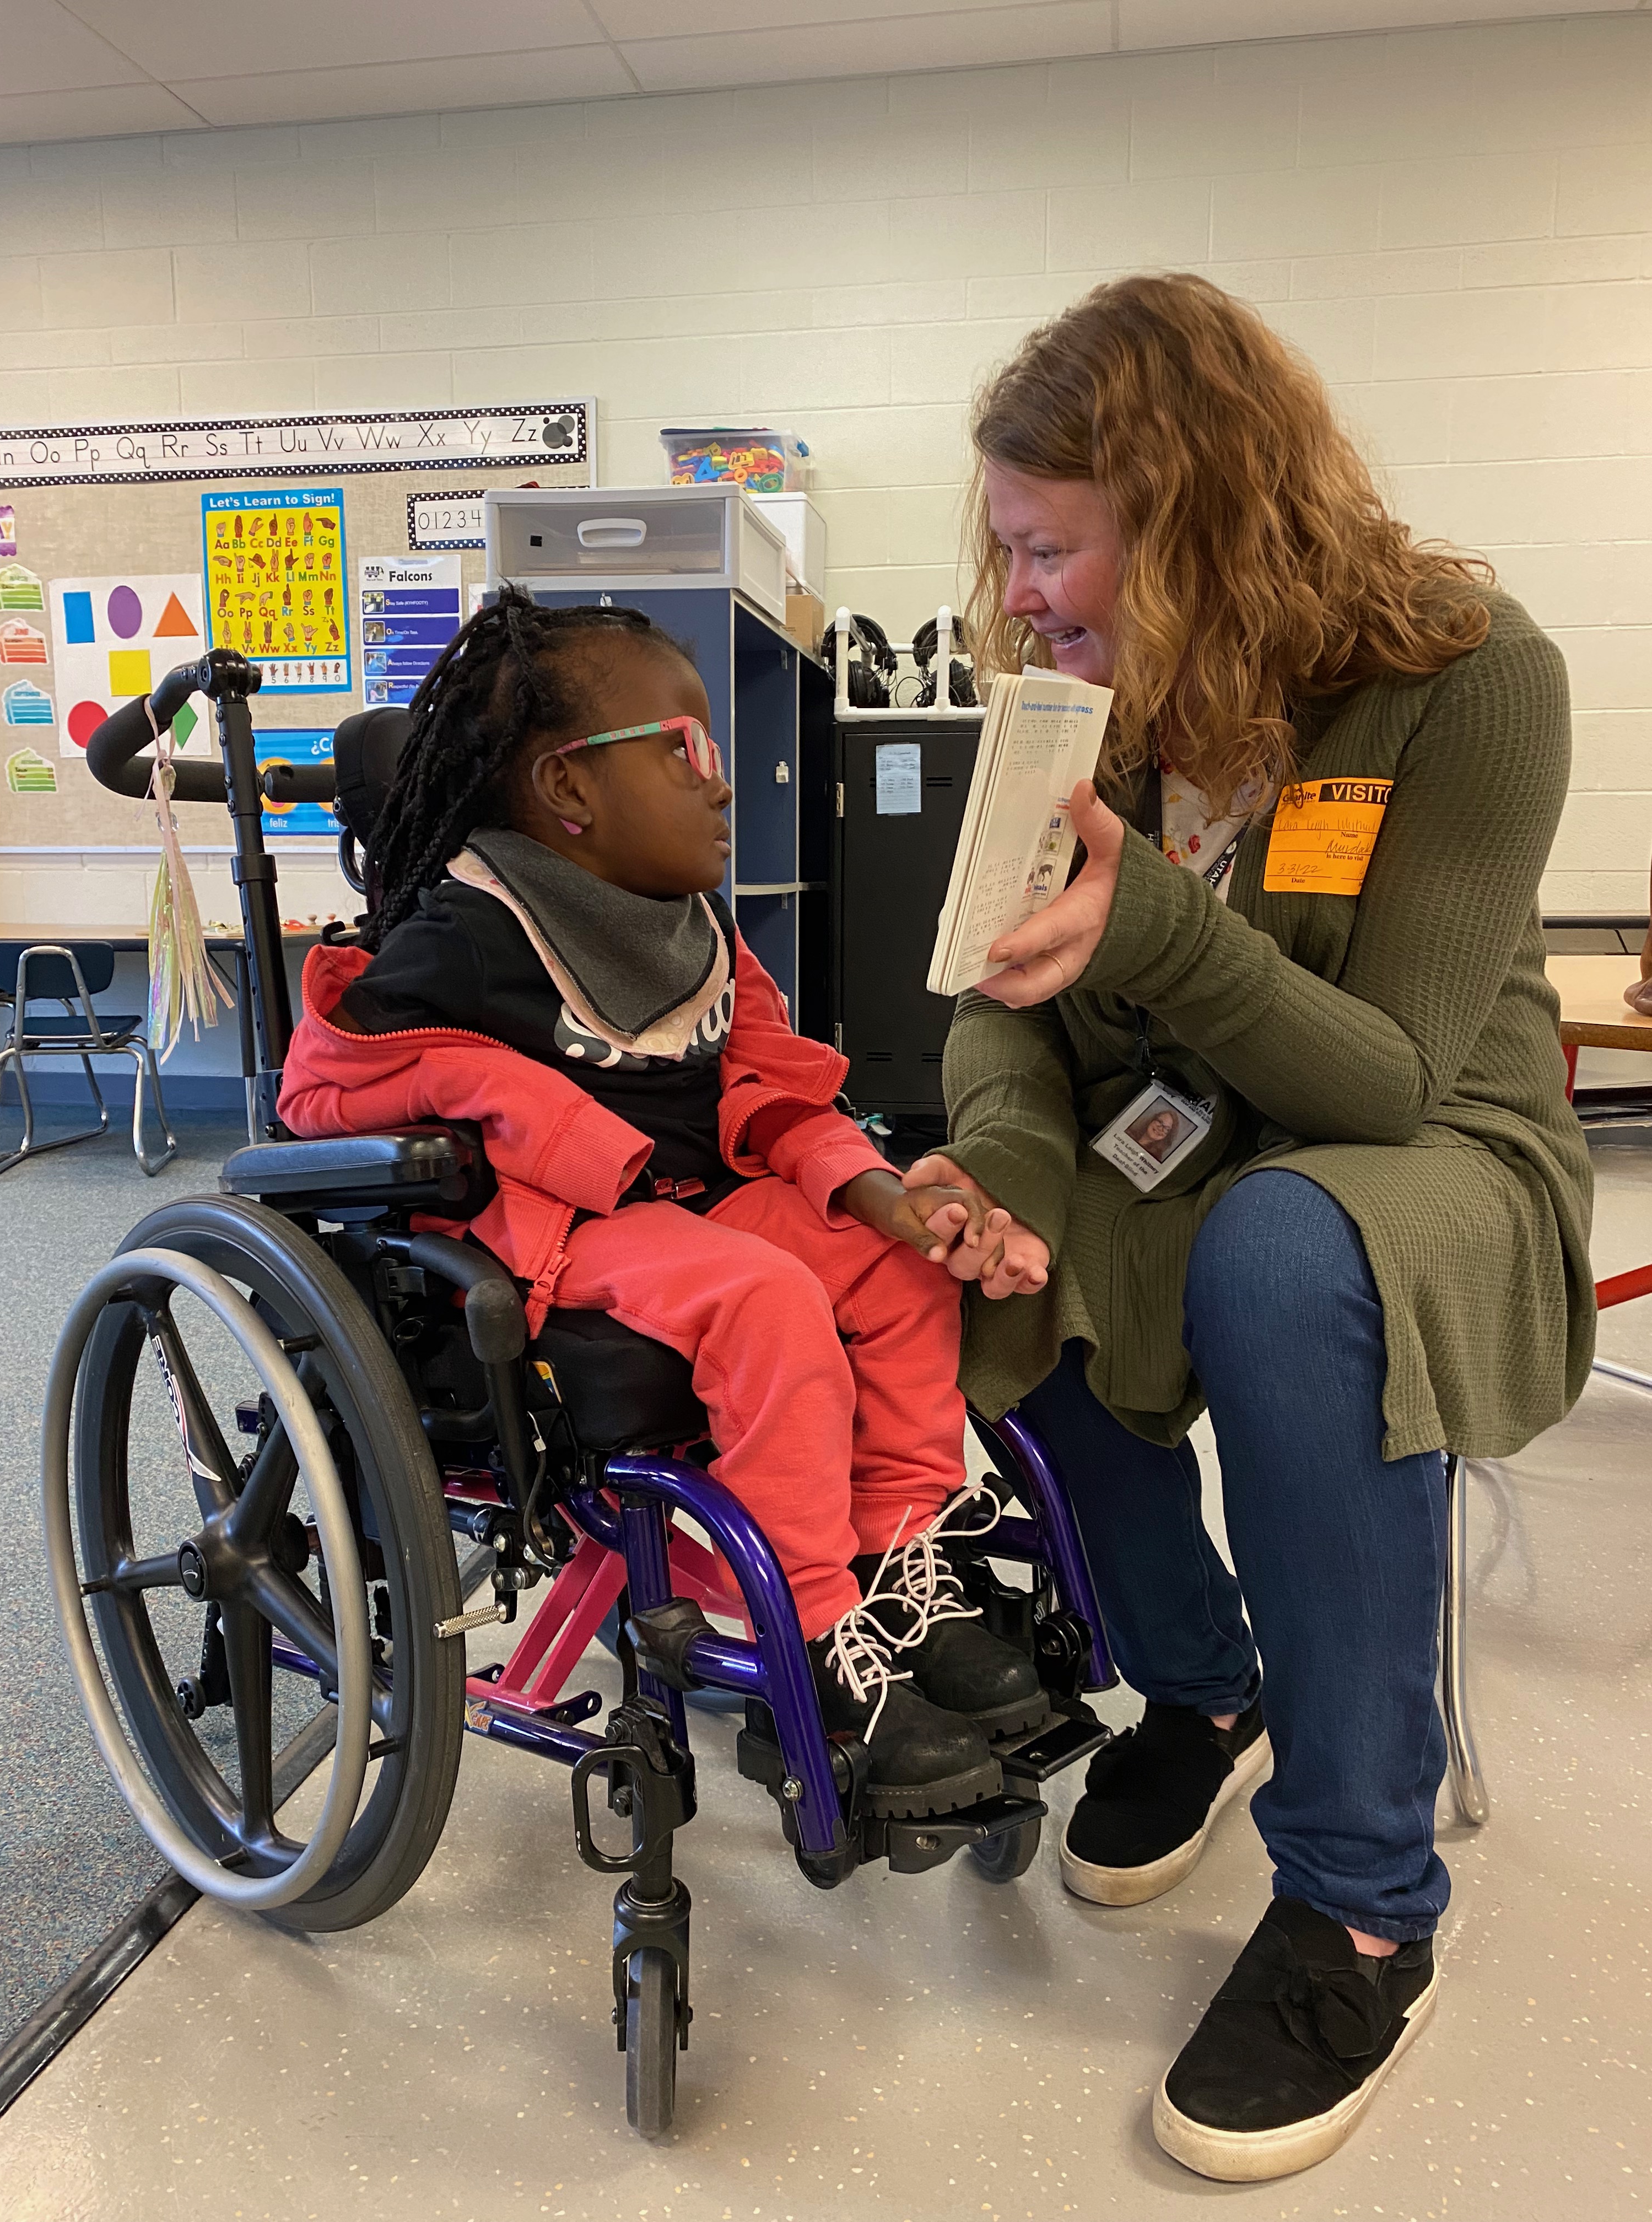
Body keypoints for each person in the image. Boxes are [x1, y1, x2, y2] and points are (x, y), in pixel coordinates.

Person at [904, 274, 1594, 2181]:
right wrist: (1003, 1174)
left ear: (1192, 514)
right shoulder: (1073, 717)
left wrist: (1151, 930)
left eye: (1050, 547)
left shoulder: (1471, 674)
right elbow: (995, 1007)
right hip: (1186, 1137)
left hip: (1435, 1143)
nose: (1022, 593)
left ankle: (1365, 1908)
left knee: (1281, 1255)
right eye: (1009, 546)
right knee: (984, 1272)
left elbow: (1379, 1077)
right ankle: (1205, 1690)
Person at [279, 594, 1049, 1821]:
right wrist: (505, 1103)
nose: (723, 785)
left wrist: (881, 1193)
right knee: (769, 1301)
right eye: (687, 749)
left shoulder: (697, 931)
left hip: (700, 1198)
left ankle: (899, 1560)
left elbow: (769, 1088)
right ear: (568, 790)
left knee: (891, 1269)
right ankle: (812, 1635)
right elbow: (321, 1089)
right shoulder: (471, 939)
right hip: (558, 1232)